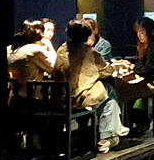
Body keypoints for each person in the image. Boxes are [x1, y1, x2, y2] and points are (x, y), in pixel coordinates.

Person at [52, 18, 124, 150]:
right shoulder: (89, 52)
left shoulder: (61, 50)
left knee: (105, 94)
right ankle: (107, 136)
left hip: (60, 99)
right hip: (80, 99)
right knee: (109, 96)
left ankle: (114, 129)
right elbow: (106, 70)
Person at [113, 16, 154, 110]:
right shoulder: (145, 45)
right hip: (147, 79)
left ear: (150, 32)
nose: (139, 35)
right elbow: (143, 67)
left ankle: (134, 115)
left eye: (142, 32)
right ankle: (131, 114)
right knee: (120, 84)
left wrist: (133, 68)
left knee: (125, 89)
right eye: (138, 32)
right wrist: (132, 66)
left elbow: (150, 68)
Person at [6, 19, 55, 85]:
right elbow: (52, 67)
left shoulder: (8, 49)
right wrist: (49, 45)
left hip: (11, 90)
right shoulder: (35, 50)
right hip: (29, 90)